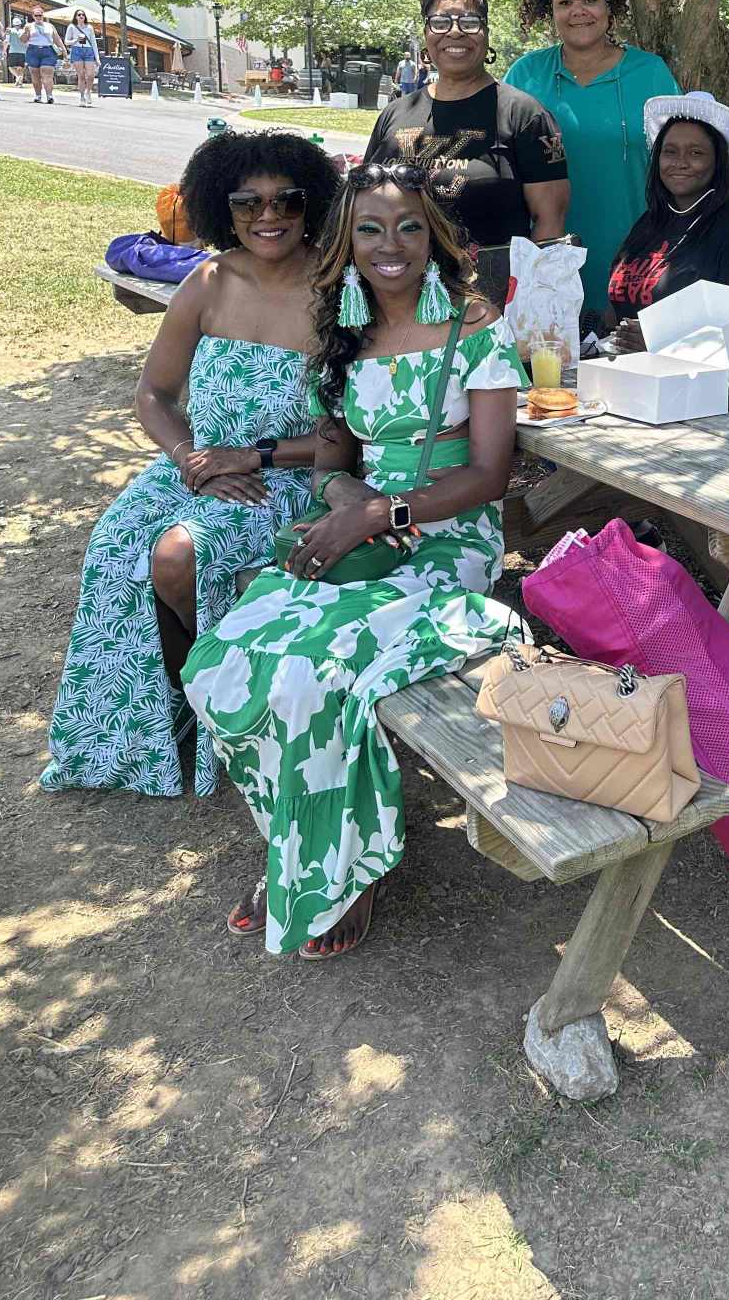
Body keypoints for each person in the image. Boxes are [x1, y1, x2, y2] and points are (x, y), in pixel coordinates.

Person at [183, 162, 527, 958]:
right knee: (226, 660)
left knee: (317, 676)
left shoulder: (474, 324)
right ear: (346, 240)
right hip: (360, 539)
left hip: (449, 543)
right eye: (369, 229)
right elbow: (332, 462)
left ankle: (349, 871)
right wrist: (348, 500)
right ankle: (301, 850)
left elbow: (489, 474)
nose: (389, 245)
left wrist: (384, 510)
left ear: (434, 236)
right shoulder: (344, 330)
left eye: (409, 227)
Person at [41, 131, 340, 800]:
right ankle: (160, 710)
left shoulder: (337, 290)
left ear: (312, 205)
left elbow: (350, 430)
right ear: (220, 208)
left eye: (287, 200)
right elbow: (152, 394)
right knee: (113, 545)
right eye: (247, 202)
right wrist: (189, 459)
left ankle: (216, 704)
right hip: (197, 466)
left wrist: (253, 456)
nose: (268, 216)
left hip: (288, 479)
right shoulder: (207, 281)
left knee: (179, 556)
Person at [504, 0, 680, 323]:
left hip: (636, 268)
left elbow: (683, 172)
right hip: (543, 272)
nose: (578, 11)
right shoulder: (525, 76)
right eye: (564, 2)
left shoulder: (651, 74)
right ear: (550, 10)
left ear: (609, 4)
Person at [364, 0, 569, 271]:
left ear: (486, 34)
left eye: (470, 22)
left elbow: (549, 223)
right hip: (398, 287)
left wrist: (527, 293)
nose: (455, 32)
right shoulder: (394, 115)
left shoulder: (524, 115)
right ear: (426, 33)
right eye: (440, 22)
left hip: (489, 292)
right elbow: (364, 208)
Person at [606, 92, 729, 362]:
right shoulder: (649, 223)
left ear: (718, 161)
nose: (680, 163)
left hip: (703, 385)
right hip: (627, 375)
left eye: (696, 153)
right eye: (670, 152)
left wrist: (664, 343)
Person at [24, 11, 65, 103]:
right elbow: (23, 40)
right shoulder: (29, 26)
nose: (38, 17)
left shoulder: (49, 26)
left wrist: (64, 51)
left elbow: (57, 39)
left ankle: (49, 96)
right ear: (33, 16)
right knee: (35, 75)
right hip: (33, 50)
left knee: (47, 74)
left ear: (43, 15)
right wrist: (25, 32)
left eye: (40, 15)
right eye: (36, 15)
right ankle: (38, 95)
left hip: (48, 50)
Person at [65, 9, 100, 106]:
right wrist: (76, 40)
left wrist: (97, 58)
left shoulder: (89, 27)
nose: (81, 16)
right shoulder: (72, 27)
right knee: (81, 75)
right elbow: (66, 42)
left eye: (83, 15)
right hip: (77, 50)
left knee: (91, 75)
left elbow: (94, 43)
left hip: (88, 50)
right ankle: (82, 97)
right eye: (79, 15)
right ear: (75, 17)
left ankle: (88, 91)